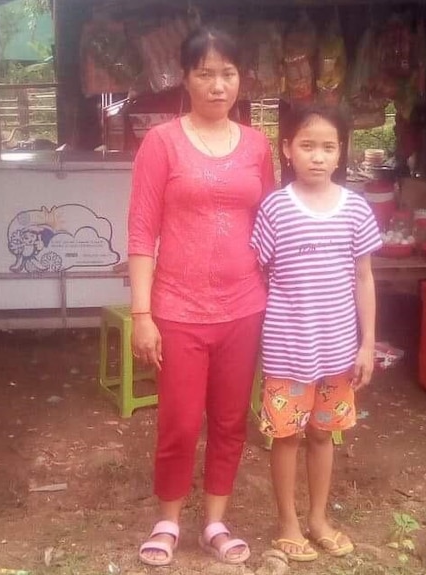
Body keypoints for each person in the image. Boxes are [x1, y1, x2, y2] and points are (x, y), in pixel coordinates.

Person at [128, 27, 275, 567]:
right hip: (177, 308)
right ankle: (167, 520)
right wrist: (142, 314)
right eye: (206, 73)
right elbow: (142, 231)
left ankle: (215, 521)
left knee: (231, 420)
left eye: (228, 73)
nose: (218, 85)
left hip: (244, 306)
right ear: (185, 79)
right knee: (181, 421)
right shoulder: (161, 142)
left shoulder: (258, 146)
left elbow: (269, 225)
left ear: (241, 79)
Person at [250, 104, 382, 562]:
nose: (318, 157)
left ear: (341, 152)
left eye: (328, 147)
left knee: (323, 436)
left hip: (340, 352)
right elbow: (260, 276)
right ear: (287, 150)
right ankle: (287, 522)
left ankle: (318, 518)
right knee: (286, 436)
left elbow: (364, 278)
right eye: (307, 146)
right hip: (288, 351)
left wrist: (367, 345)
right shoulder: (275, 208)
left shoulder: (356, 209)